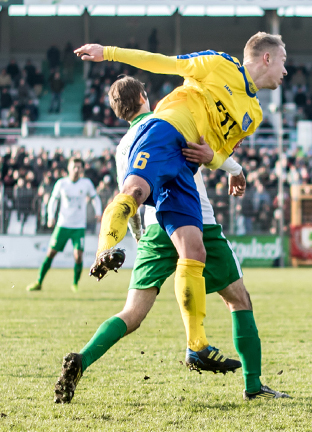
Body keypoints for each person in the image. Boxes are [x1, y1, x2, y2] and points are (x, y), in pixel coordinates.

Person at [54, 76, 289, 404]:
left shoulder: (124, 145)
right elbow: (206, 154)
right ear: (142, 96)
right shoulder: (171, 120)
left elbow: (132, 195)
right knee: (238, 299)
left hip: (153, 228)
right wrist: (233, 168)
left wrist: (139, 236)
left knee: (131, 314)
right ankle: (252, 384)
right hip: (196, 221)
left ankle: (82, 359)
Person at [27, 157, 102, 292]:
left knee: (78, 255)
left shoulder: (86, 183)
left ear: (82, 169)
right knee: (50, 253)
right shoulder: (62, 183)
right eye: (74, 166)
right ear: (68, 168)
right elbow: (53, 201)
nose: (76, 169)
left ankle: (75, 283)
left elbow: (95, 197)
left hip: (78, 226)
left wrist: (98, 212)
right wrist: (50, 217)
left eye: (79, 167)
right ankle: (39, 282)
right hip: (62, 225)